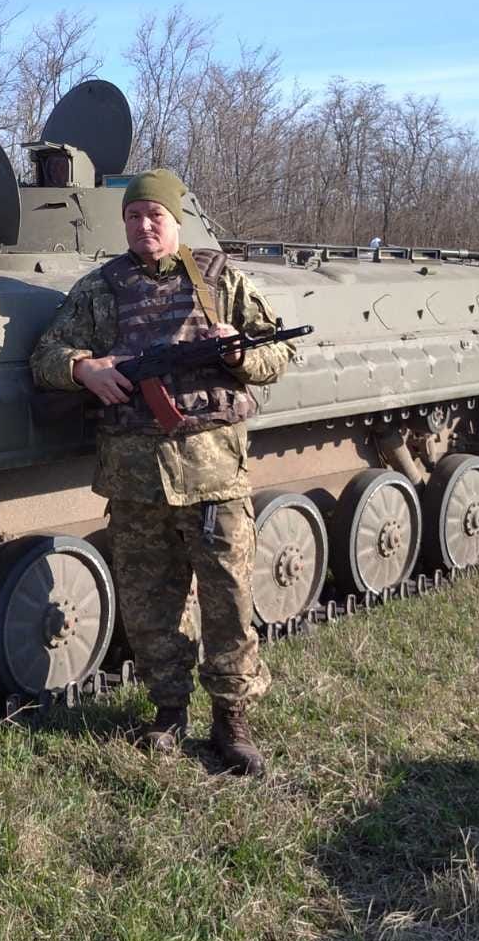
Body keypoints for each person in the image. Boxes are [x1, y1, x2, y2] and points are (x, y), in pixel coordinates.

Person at [29, 169, 290, 775]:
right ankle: (168, 710)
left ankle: (233, 720)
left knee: (228, 599)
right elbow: (47, 356)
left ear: (177, 222)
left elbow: (281, 349)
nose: (145, 226)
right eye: (134, 216)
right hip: (135, 476)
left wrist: (242, 351)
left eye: (156, 216)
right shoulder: (100, 289)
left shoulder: (220, 282)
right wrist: (83, 369)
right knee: (151, 601)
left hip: (215, 476)